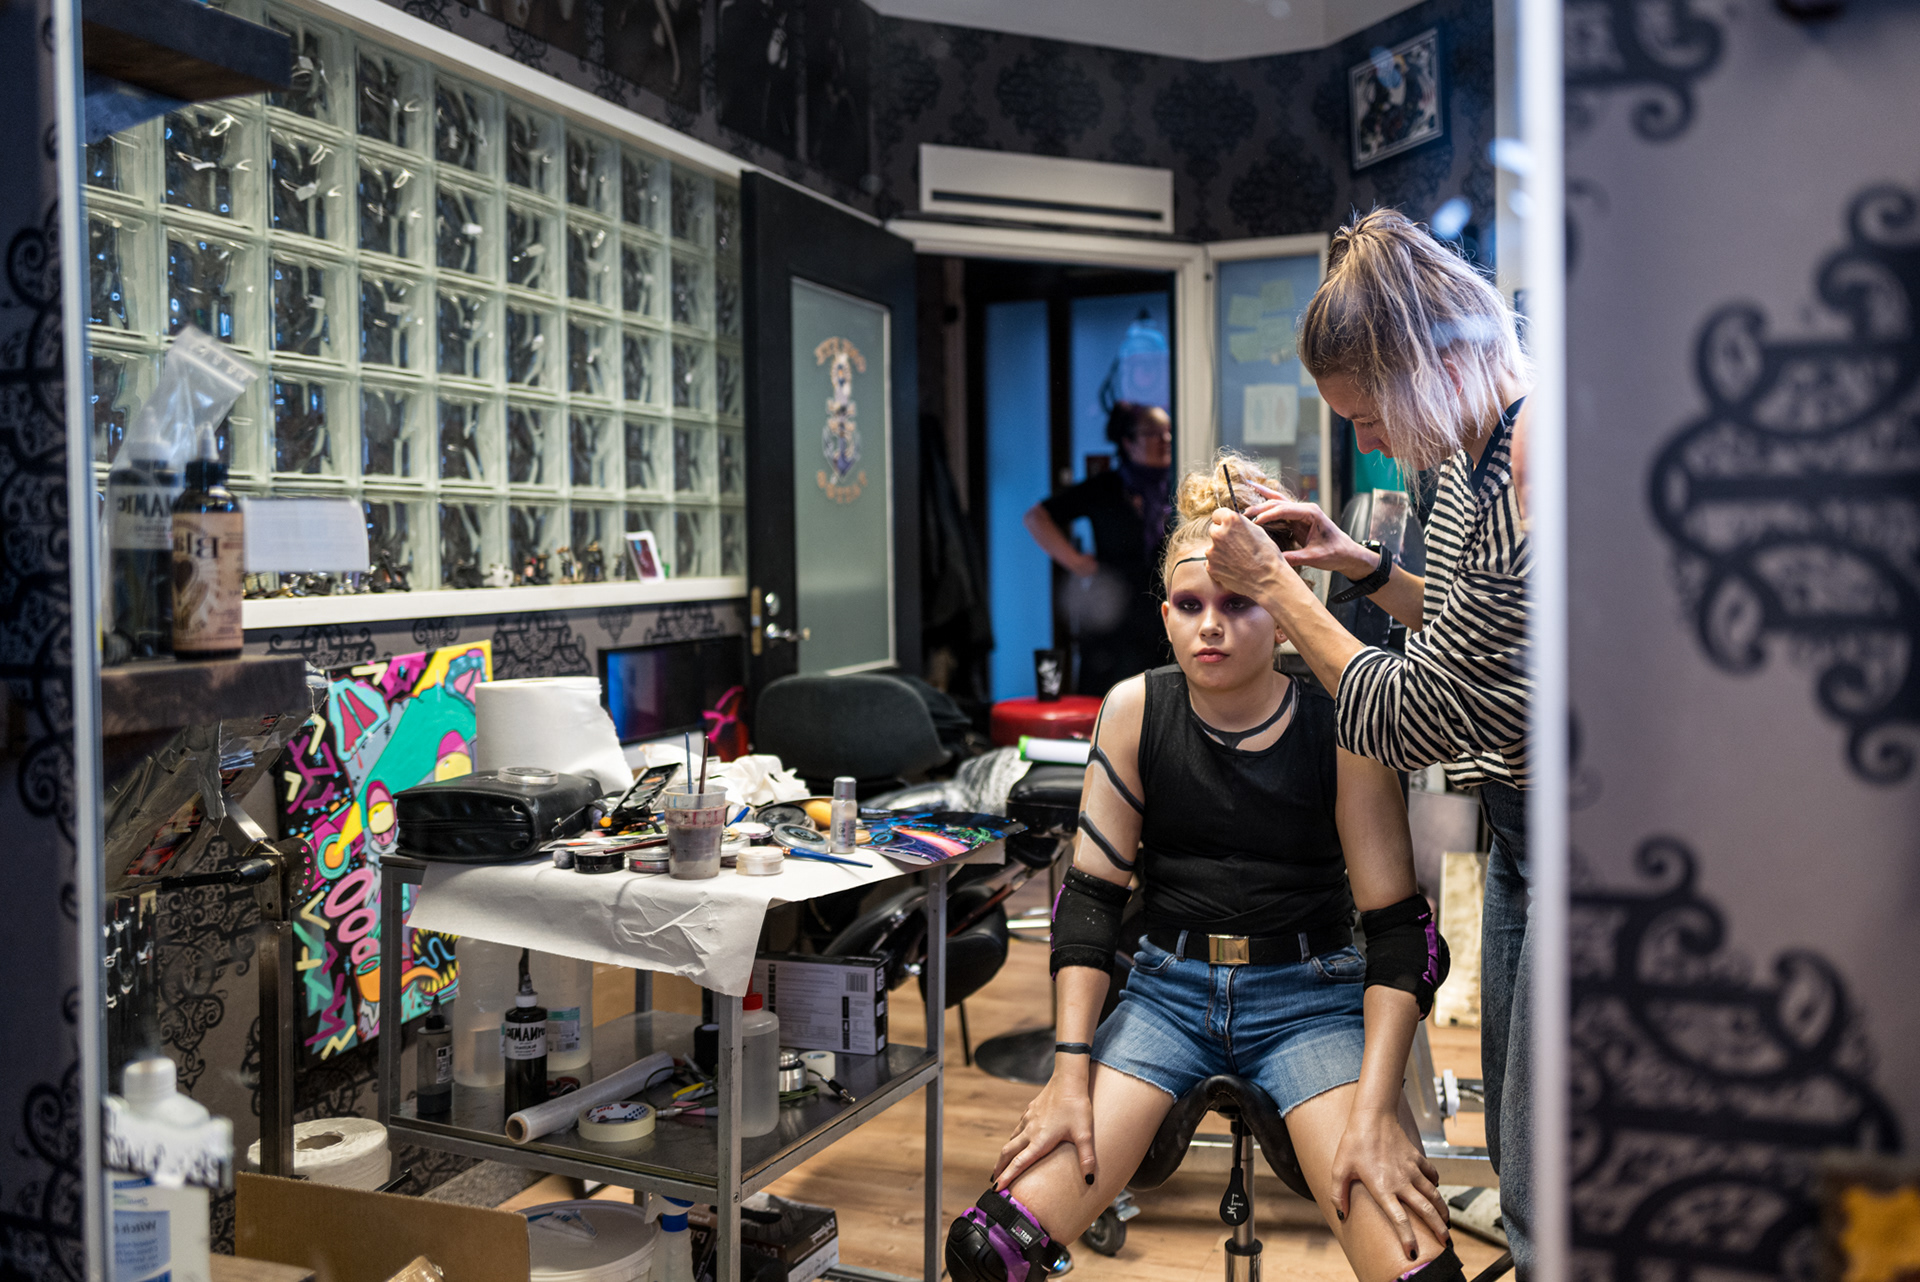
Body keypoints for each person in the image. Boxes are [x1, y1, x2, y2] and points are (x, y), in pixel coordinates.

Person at [948, 457, 1469, 1282]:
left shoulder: (1344, 719)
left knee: (1420, 1272)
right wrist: (1068, 1076)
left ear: (1284, 615)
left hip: (1310, 1002)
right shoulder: (1132, 710)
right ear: (1165, 616)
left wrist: (1376, 1112)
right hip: (1167, 996)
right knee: (990, 1251)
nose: (1210, 627)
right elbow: (1088, 903)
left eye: (1237, 604)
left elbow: (1400, 933)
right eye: (1190, 606)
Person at [1204, 207, 1536, 1273]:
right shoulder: (1468, 455)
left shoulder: (1533, 466)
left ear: (1430, 364)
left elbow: (1424, 711)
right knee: (1522, 1163)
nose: (1367, 441)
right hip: (1518, 828)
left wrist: (1281, 593)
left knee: (1548, 1179)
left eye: (1367, 413)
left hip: (1589, 842)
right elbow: (1469, 624)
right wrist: (1356, 563)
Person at [1023, 402, 1175, 695]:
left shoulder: (1179, 485)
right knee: (1110, 697)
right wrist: (1076, 562)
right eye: (1153, 433)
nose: (1165, 439)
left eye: (1169, 431)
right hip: (1114, 614)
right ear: (1128, 442)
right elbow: (1035, 518)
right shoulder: (1105, 487)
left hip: (1164, 614)